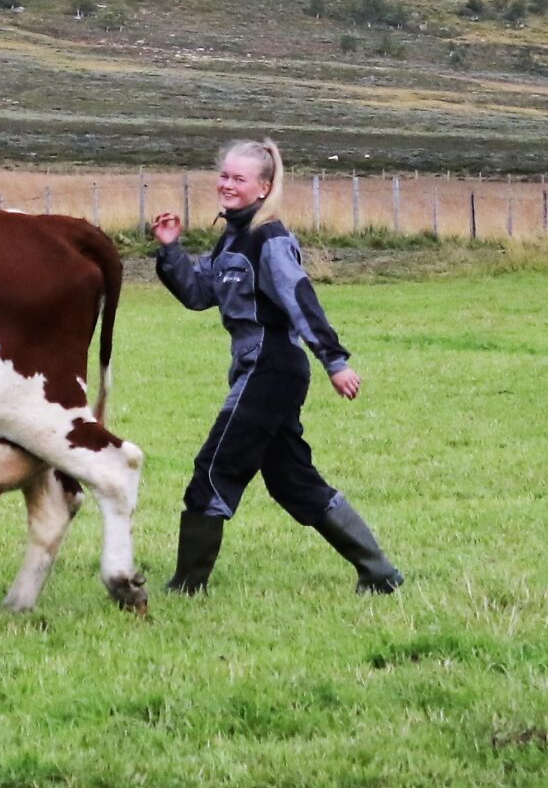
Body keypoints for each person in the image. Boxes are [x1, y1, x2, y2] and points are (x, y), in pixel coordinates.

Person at [150, 138, 403, 596]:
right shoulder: (232, 238)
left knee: (214, 470)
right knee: (292, 481)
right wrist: (170, 250)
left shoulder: (270, 239)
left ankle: (187, 586)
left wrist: (335, 362)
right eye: (224, 175)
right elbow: (197, 294)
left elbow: (300, 299)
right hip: (256, 367)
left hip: (272, 368)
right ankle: (379, 572)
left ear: (264, 187)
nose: (227, 184)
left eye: (238, 178)